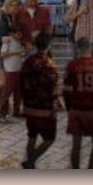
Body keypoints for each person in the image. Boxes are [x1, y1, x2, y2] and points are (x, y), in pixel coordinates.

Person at [18, 33, 61, 168]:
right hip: (44, 108)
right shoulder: (48, 64)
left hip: (29, 107)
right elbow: (54, 85)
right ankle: (31, 161)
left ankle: (30, 165)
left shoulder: (28, 61)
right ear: (48, 46)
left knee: (32, 136)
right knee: (49, 138)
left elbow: (21, 82)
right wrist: (56, 102)